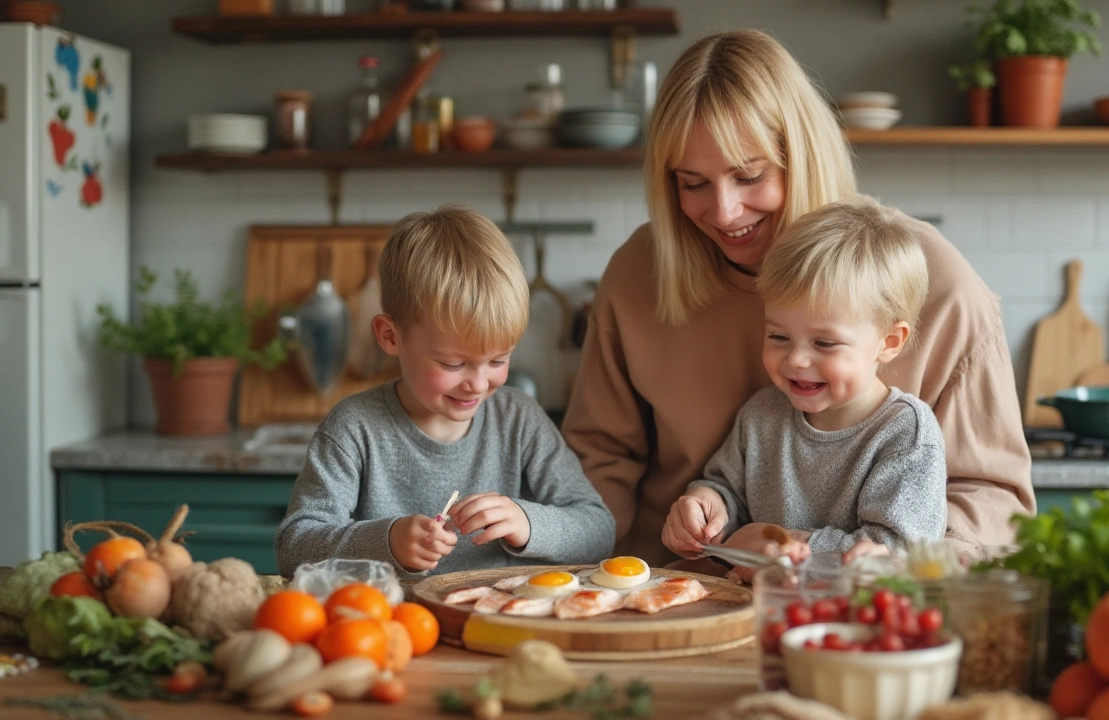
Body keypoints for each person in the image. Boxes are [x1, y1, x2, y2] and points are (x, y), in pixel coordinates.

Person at [560, 29, 1033, 568]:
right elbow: (595, 469)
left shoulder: (937, 281)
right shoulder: (638, 274)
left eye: (749, 175)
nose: (725, 211)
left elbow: (991, 503)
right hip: (671, 595)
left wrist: (837, 566)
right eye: (692, 183)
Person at [276, 206, 615, 578]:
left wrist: (527, 523)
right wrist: (386, 542)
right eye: (453, 365)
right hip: (391, 629)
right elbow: (295, 548)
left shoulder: (519, 419)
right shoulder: (354, 428)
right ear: (391, 336)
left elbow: (599, 532)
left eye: (498, 361)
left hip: (496, 625)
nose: (478, 383)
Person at [661, 199, 948, 569]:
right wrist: (706, 506)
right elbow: (728, 493)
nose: (795, 359)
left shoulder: (905, 433)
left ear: (889, 342)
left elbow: (898, 556)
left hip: (855, 622)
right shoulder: (762, 415)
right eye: (779, 337)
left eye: (824, 343)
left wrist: (783, 546)